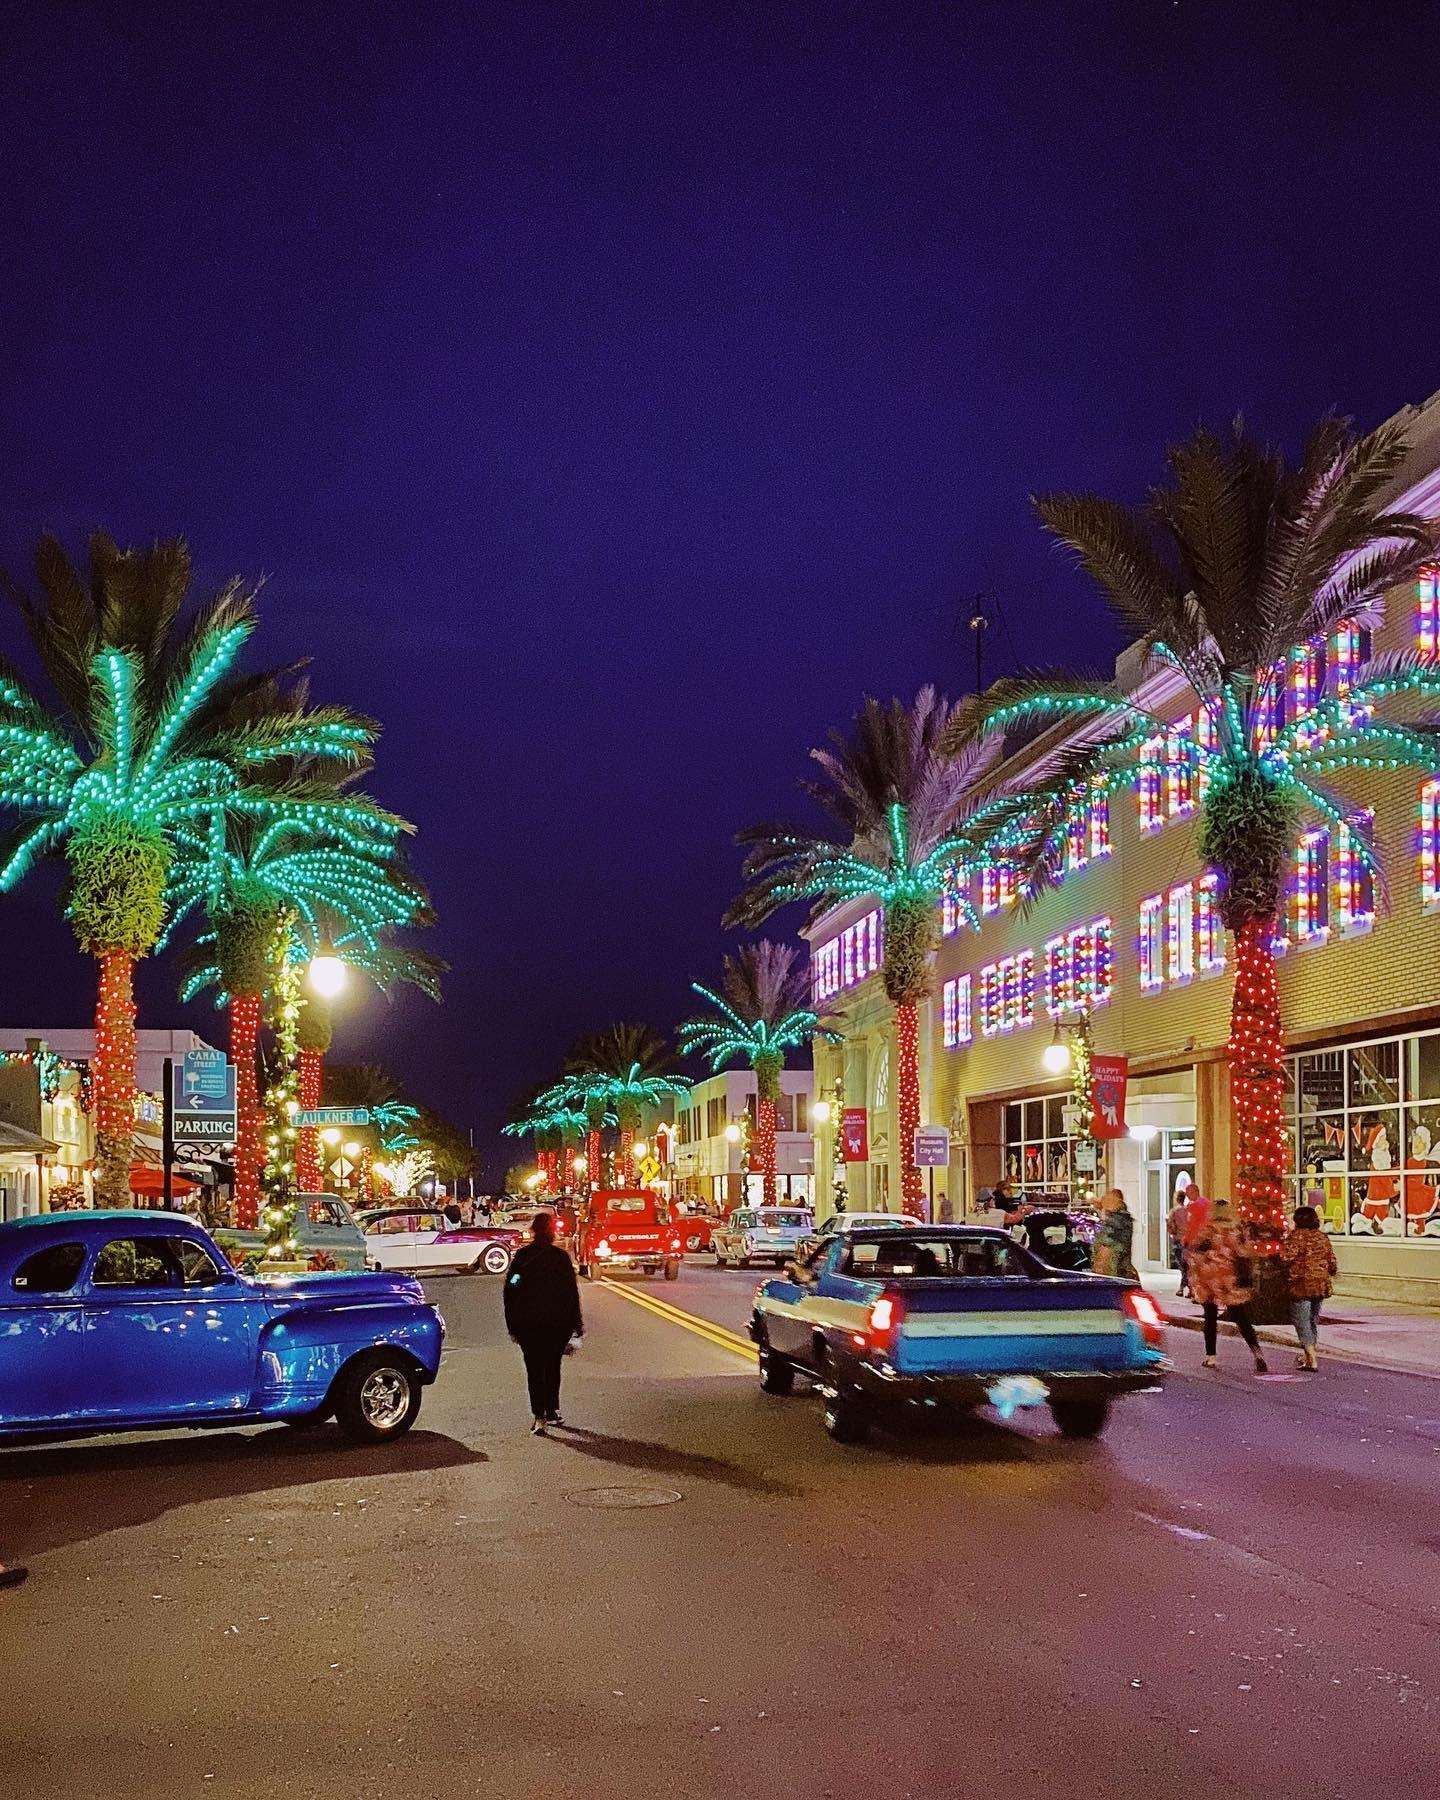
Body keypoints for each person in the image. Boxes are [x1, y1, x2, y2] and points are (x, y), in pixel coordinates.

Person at [502, 1212, 583, 1434]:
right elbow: (571, 1292)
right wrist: (577, 1325)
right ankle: (552, 1409)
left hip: (529, 1324)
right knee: (552, 1367)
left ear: (534, 1231)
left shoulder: (523, 1258)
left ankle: (539, 1415)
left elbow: (511, 1289)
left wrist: (513, 1324)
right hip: (557, 1323)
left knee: (534, 1369)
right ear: (551, 1233)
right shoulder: (560, 1258)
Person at [1187, 1197, 1267, 1374]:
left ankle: (1211, 1356)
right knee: (1241, 1317)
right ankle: (1257, 1352)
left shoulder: (1208, 1230)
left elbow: (1195, 1253)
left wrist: (1195, 1275)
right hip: (1230, 1277)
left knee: (1210, 1317)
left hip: (1210, 1278)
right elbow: (1244, 1252)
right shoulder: (1236, 1230)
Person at [1280, 1204, 1337, 1371]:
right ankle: (1307, 1354)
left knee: (1301, 1320)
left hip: (1301, 1283)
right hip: (1320, 1284)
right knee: (1312, 1319)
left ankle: (1311, 1357)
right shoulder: (1322, 1237)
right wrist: (1328, 1272)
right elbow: (1332, 1261)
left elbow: (1285, 1258)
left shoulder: (1295, 1237)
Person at [1090, 1187, 1138, 1280]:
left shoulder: (1117, 1222)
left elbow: (1105, 1255)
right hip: (1119, 1277)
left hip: (1114, 1278)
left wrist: (1100, 1270)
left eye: (1106, 1198)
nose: (1103, 1200)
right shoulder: (1121, 1219)